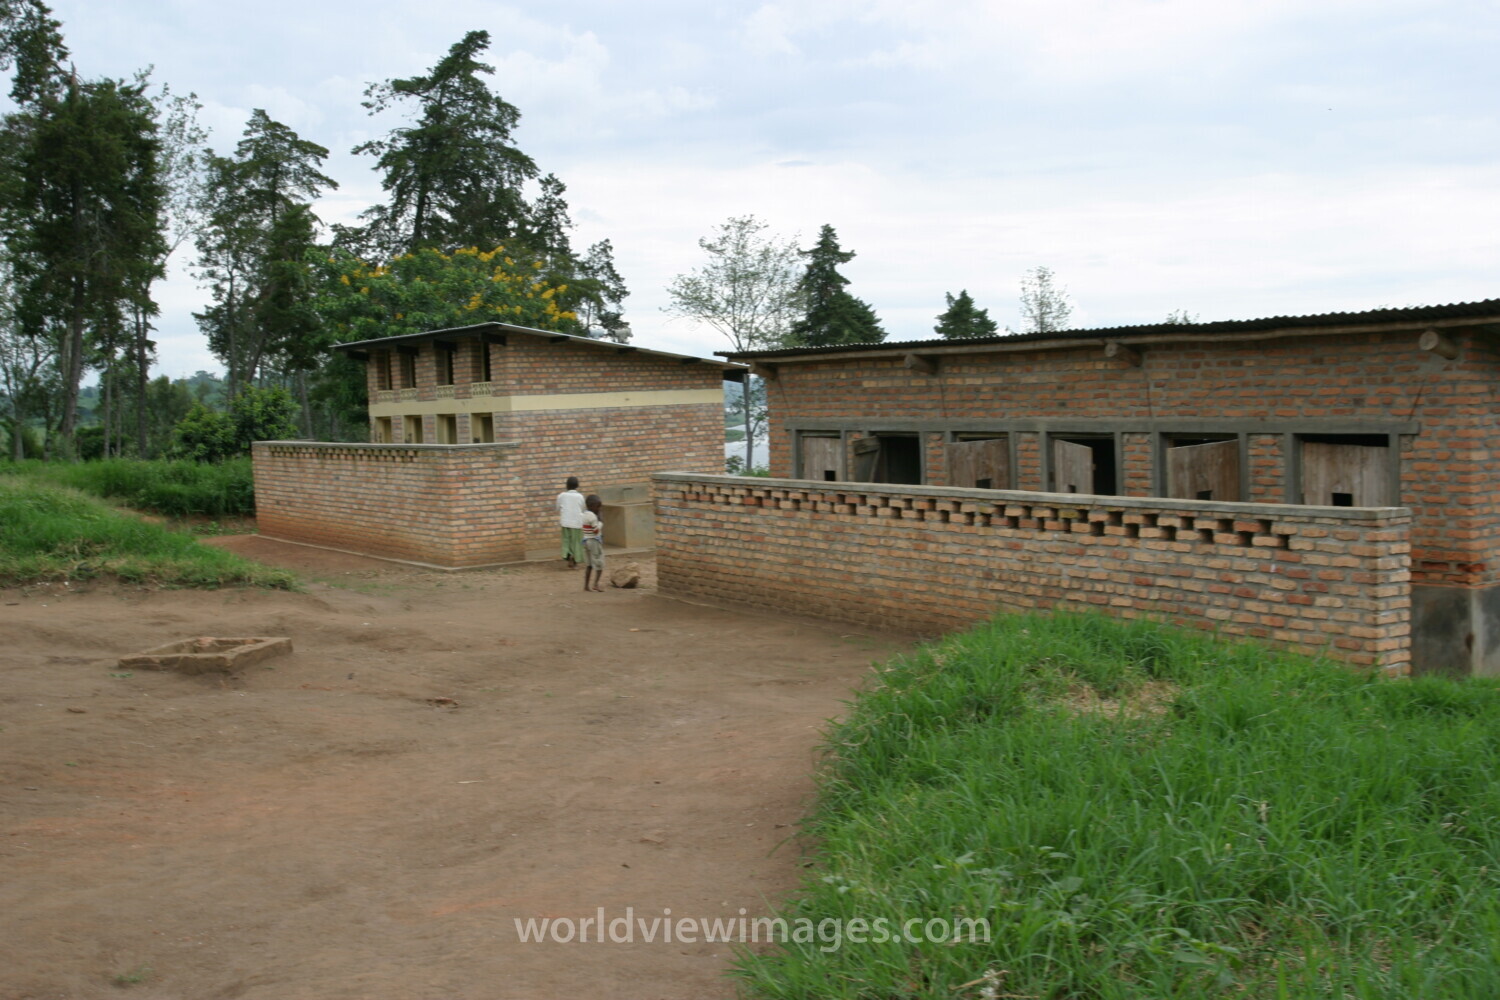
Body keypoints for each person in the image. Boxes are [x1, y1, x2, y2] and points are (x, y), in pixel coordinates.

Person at [556, 477, 586, 568]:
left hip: (565, 522)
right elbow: (583, 509)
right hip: (577, 523)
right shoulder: (580, 496)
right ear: (577, 486)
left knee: (566, 540)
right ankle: (575, 560)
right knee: (576, 542)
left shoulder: (561, 496)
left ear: (567, 486)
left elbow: (557, 508)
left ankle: (568, 556)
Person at [581, 494, 605, 592]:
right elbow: (595, 530)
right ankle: (596, 584)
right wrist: (600, 522)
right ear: (591, 506)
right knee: (599, 563)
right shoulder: (593, 517)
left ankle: (586, 586)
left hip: (586, 541)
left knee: (589, 565)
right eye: (598, 506)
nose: (599, 508)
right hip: (593, 541)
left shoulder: (584, 514)